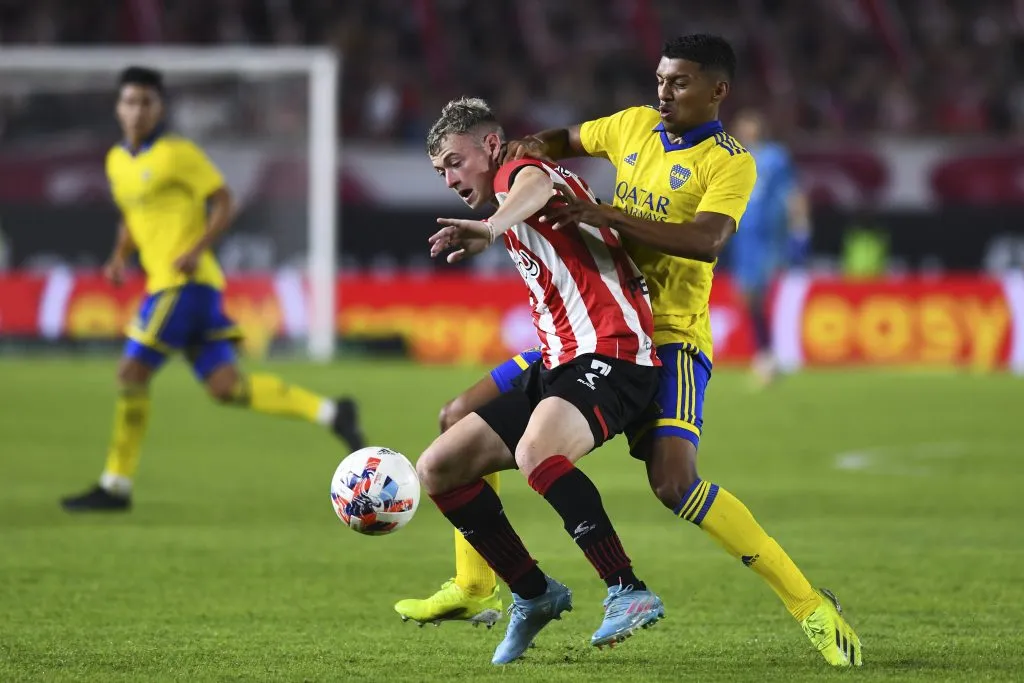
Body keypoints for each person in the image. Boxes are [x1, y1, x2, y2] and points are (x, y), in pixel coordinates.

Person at [395, 35, 862, 668]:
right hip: (584, 327)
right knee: (456, 418)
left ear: (718, 90)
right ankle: (481, 584)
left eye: (680, 82)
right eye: (662, 79)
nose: (664, 92)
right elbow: (558, 145)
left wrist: (600, 215)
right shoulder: (634, 126)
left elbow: (706, 239)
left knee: (673, 484)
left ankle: (809, 604)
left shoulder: (731, 162)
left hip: (667, 336)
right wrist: (530, 151)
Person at [415, 96, 665, 664]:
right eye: (440, 172)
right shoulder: (509, 184)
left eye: (456, 162)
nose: (451, 178)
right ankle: (534, 594)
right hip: (562, 361)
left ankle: (627, 588)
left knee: (537, 452)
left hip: (614, 354)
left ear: (490, 146)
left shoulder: (518, 173)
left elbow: (535, 188)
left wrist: (492, 224)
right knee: (439, 468)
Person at [60, 66, 365, 512]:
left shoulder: (177, 153)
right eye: (130, 101)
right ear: (118, 107)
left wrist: (196, 246)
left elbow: (224, 200)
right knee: (225, 387)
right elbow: (132, 215)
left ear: (159, 106)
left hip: (180, 285)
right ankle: (332, 412)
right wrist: (119, 256)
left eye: (147, 101)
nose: (137, 110)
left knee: (130, 375)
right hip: (185, 289)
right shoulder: (116, 162)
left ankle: (115, 486)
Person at [721, 109, 812, 387]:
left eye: (751, 126)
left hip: (768, 238)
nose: (747, 131)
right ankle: (767, 355)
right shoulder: (733, 160)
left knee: (757, 294)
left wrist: (801, 228)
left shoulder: (775, 157)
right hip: (742, 239)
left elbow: (792, 193)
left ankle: (768, 357)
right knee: (746, 298)